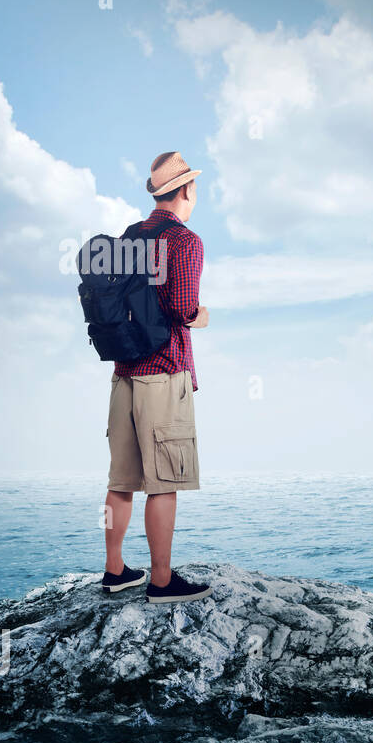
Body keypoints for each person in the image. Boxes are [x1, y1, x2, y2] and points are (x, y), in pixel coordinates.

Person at [100, 151, 212, 604]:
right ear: (186, 190)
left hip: (123, 371)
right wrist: (202, 317)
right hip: (163, 372)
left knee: (120, 478)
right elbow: (181, 307)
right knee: (165, 481)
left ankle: (115, 571)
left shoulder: (128, 236)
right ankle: (162, 581)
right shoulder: (186, 241)